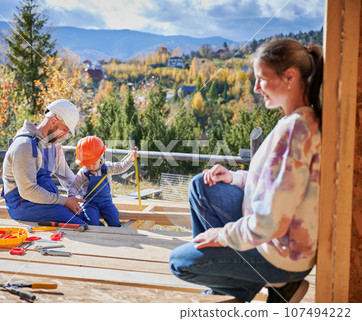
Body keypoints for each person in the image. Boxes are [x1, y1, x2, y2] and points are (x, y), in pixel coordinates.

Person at [169, 38, 323, 303]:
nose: (255, 87)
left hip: (282, 254)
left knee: (180, 261)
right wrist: (235, 178)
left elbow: (270, 222)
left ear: (289, 77)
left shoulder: (296, 131)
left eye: (261, 79)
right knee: (201, 185)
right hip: (272, 234)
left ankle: (272, 285)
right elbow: (279, 182)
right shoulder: (294, 120)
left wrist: (223, 235)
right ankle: (247, 283)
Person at [1, 99, 86, 223]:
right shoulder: (24, 146)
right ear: (53, 121)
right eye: (65, 129)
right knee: (77, 223)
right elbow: (28, 191)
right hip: (23, 205)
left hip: (46, 203)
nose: (66, 136)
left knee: (84, 216)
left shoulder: (54, 147)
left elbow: (69, 179)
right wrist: (64, 201)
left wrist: (88, 193)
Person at [68, 136, 137, 227]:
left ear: (100, 159)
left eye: (93, 163)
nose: (91, 167)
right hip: (90, 203)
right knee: (92, 222)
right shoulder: (83, 172)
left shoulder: (107, 167)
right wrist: (71, 196)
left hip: (106, 202)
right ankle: (101, 229)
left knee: (114, 221)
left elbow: (121, 167)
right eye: (87, 164)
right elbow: (74, 186)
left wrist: (130, 159)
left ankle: (115, 235)